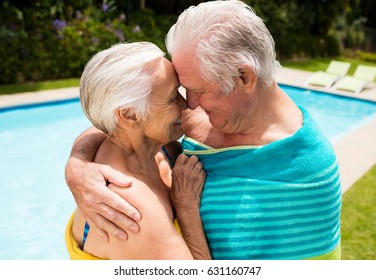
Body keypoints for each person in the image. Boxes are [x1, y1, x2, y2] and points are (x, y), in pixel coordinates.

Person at [65, 0, 342, 260]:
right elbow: (117, 124)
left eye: (197, 90)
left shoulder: (307, 167)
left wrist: (185, 207)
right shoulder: (125, 203)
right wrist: (77, 165)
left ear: (244, 76)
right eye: (180, 92)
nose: (189, 104)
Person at [65, 42, 211, 259]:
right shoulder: (129, 210)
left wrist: (77, 160)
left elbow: (101, 128)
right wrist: (186, 207)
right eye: (172, 97)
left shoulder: (161, 150)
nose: (186, 104)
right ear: (130, 116)